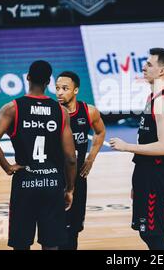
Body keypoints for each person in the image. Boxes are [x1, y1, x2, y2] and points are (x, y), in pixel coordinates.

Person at [0, 60, 77, 250]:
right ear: (49, 81)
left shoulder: (12, 108)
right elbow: (70, 157)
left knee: (21, 243)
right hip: (52, 183)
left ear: (27, 77)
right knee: (51, 244)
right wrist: (69, 188)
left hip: (25, 182)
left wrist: (8, 167)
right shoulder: (60, 111)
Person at [109, 48, 164, 250]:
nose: (143, 67)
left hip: (155, 175)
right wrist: (137, 181)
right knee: (145, 232)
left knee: (153, 234)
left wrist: (126, 147)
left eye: (149, 64)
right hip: (145, 173)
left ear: (162, 70)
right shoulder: (152, 98)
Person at [55, 71, 106, 250]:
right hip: (56, 176)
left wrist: (91, 159)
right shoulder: (52, 112)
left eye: (65, 88)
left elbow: (100, 132)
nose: (59, 92)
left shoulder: (89, 111)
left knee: (74, 229)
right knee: (54, 229)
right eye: (57, 88)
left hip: (78, 177)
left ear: (75, 90)